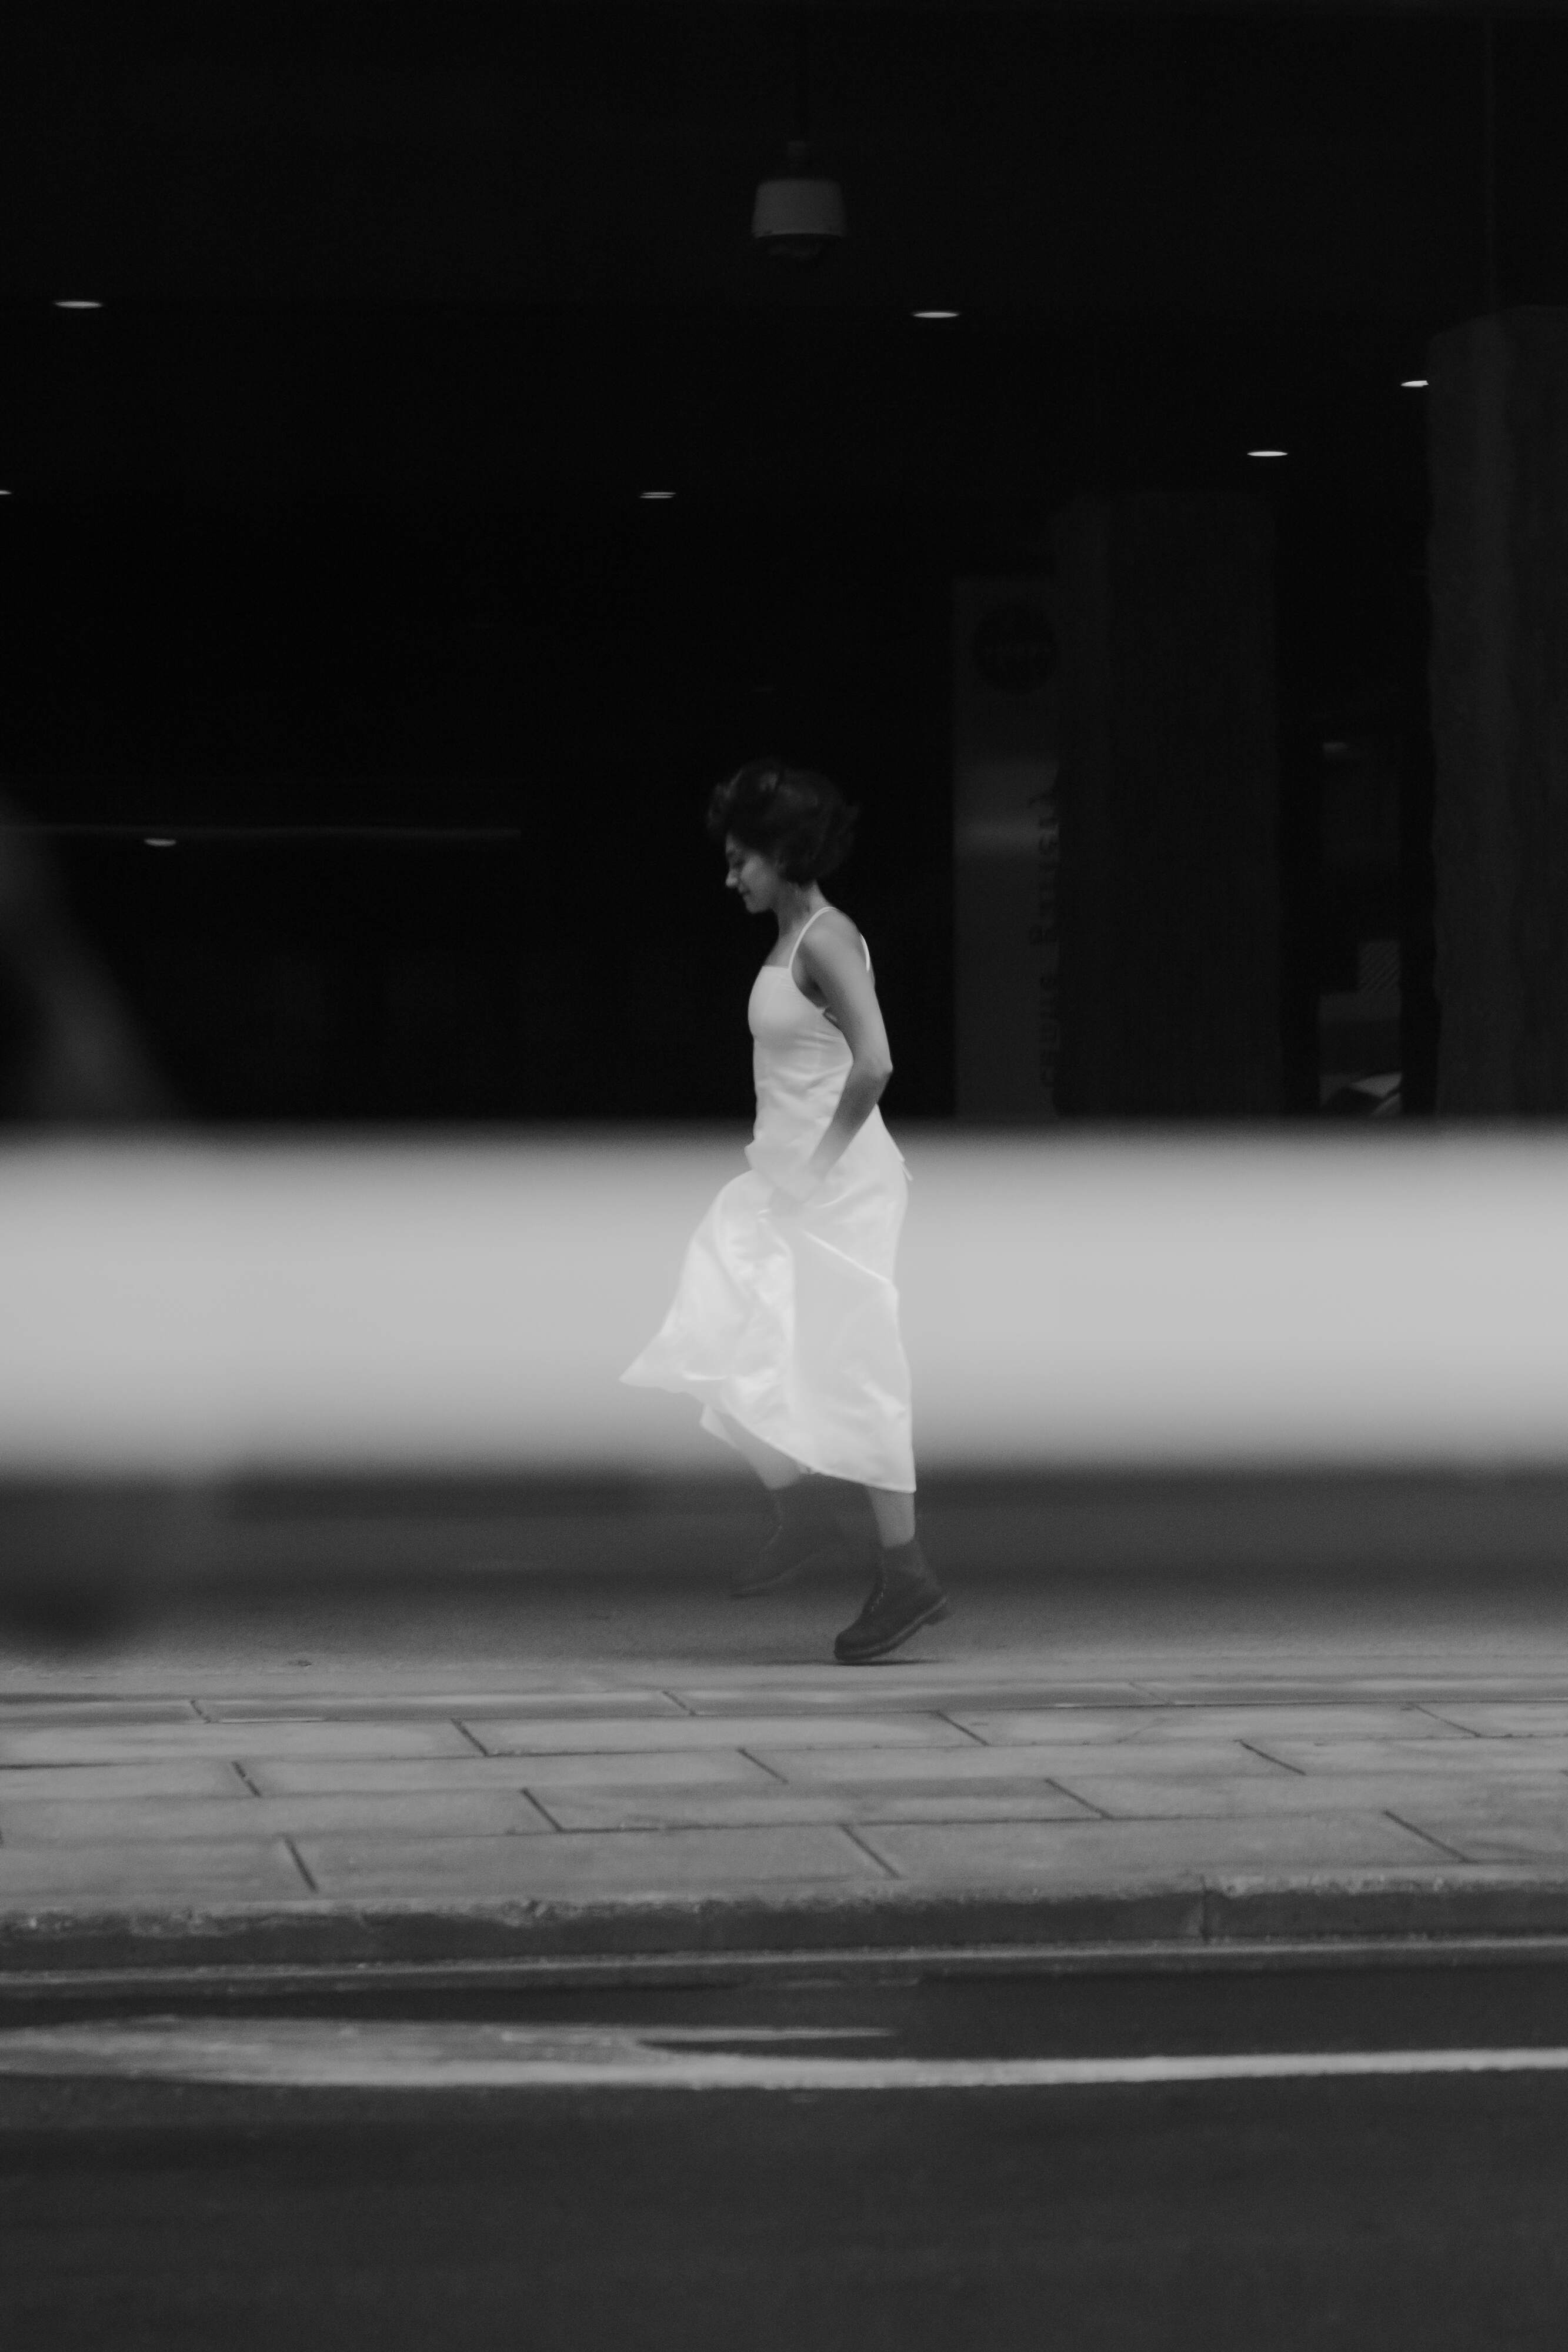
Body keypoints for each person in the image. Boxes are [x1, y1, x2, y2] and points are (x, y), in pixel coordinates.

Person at [620, 758, 949, 1664]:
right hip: (781, 1178)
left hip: (836, 1187)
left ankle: (906, 1570)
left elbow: (875, 1064)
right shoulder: (791, 934)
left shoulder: (828, 939)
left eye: (741, 860)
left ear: (782, 854)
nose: (730, 876)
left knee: (855, 1366)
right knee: (712, 1334)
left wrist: (813, 1172)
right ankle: (802, 1512)